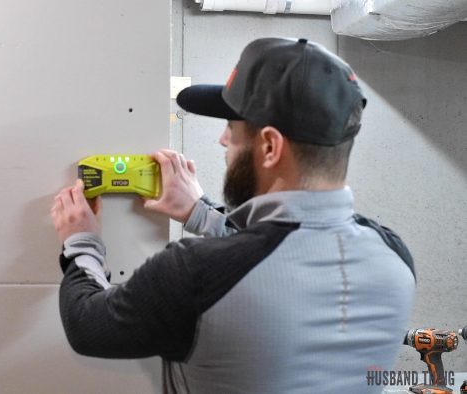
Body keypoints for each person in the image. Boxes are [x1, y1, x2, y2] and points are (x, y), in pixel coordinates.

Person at [50, 37, 416, 393]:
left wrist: (81, 242)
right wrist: (200, 213)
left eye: (232, 129)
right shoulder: (395, 257)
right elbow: (276, 257)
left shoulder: (195, 273)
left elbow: (88, 324)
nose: (223, 141)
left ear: (270, 146)